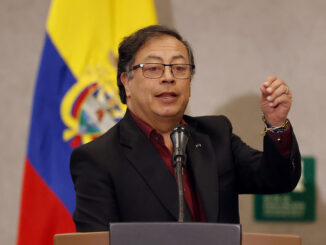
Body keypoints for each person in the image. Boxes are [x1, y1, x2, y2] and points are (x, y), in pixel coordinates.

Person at [70, 25, 301, 232]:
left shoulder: (215, 135)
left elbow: (278, 178)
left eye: (179, 68)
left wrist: (277, 124)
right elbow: (97, 239)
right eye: (153, 68)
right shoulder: (99, 159)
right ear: (126, 82)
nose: (169, 77)